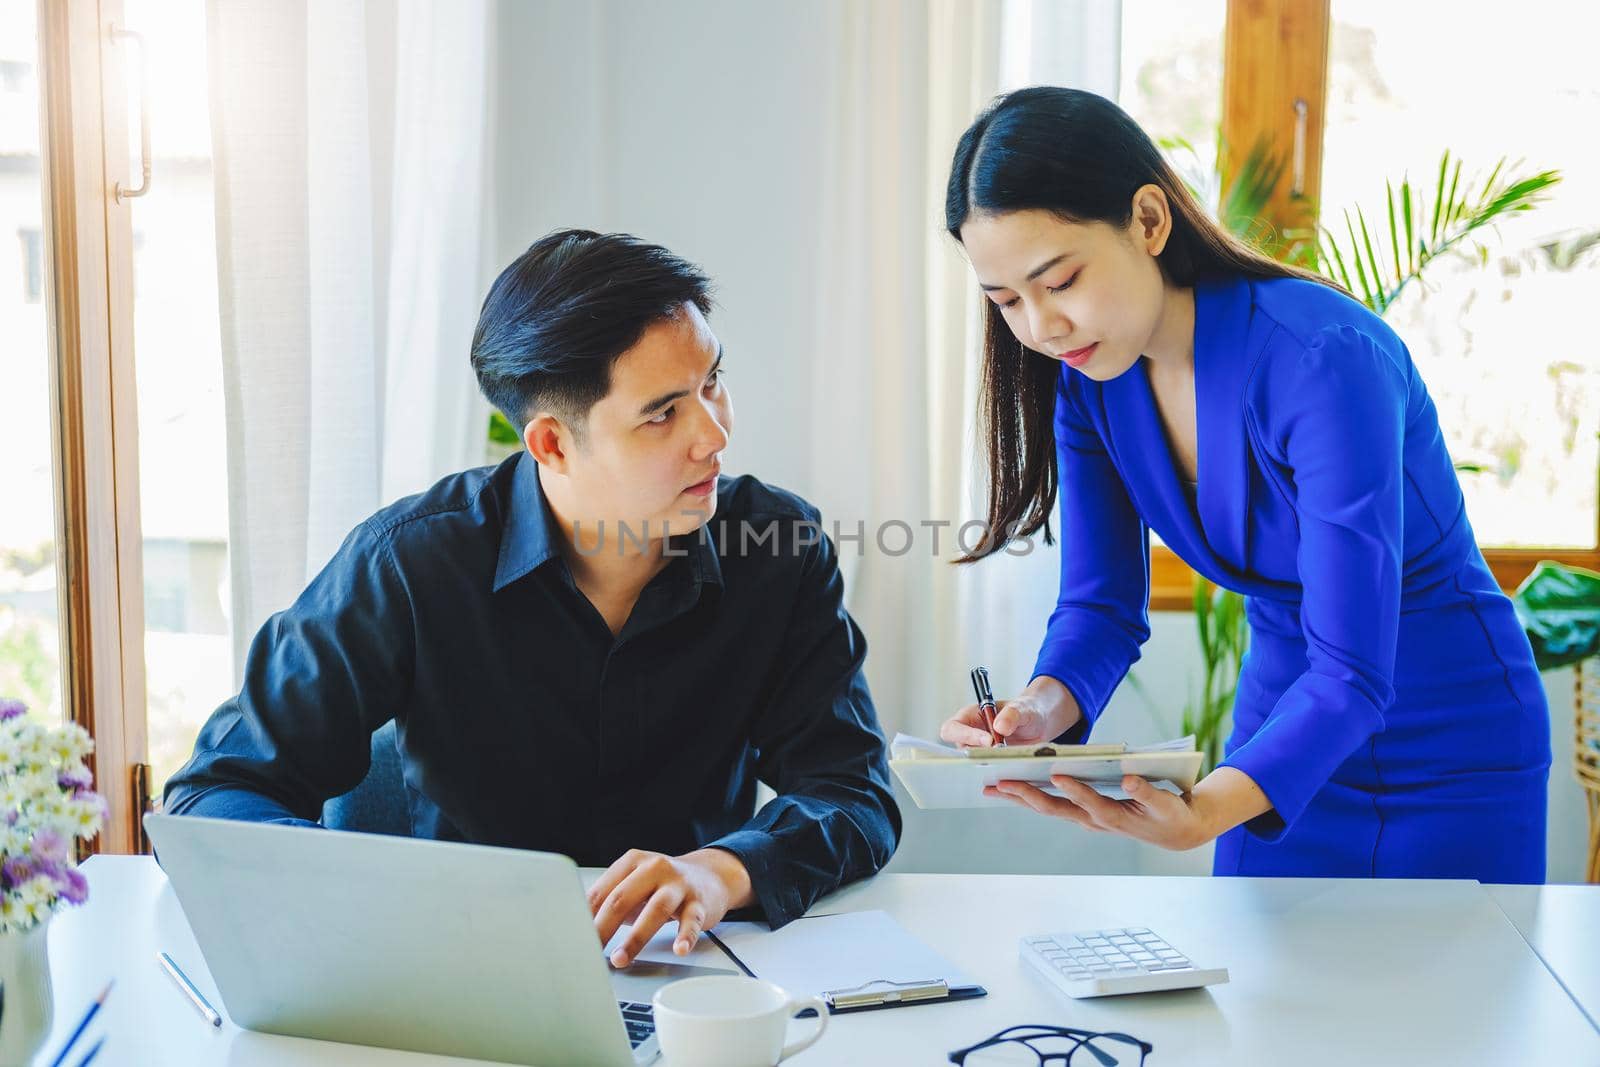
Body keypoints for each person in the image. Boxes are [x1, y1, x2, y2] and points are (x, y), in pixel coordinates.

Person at [164, 229, 901, 963]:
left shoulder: (778, 548)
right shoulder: (413, 564)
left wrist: (717, 870)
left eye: (712, 382)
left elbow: (854, 792)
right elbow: (219, 792)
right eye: (662, 413)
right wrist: (365, 905)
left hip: (690, 976)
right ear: (550, 443)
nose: (714, 433)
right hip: (465, 973)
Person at [937, 87, 1550, 882]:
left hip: (1451, 746)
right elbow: (1100, 609)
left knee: (1445, 1003)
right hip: (1278, 744)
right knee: (1262, 1002)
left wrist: (1207, 811)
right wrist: (1038, 713)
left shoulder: (1322, 358)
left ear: (1149, 222)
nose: (1041, 327)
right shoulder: (1091, 379)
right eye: (1007, 300)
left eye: (1059, 279)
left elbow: (1353, 669)